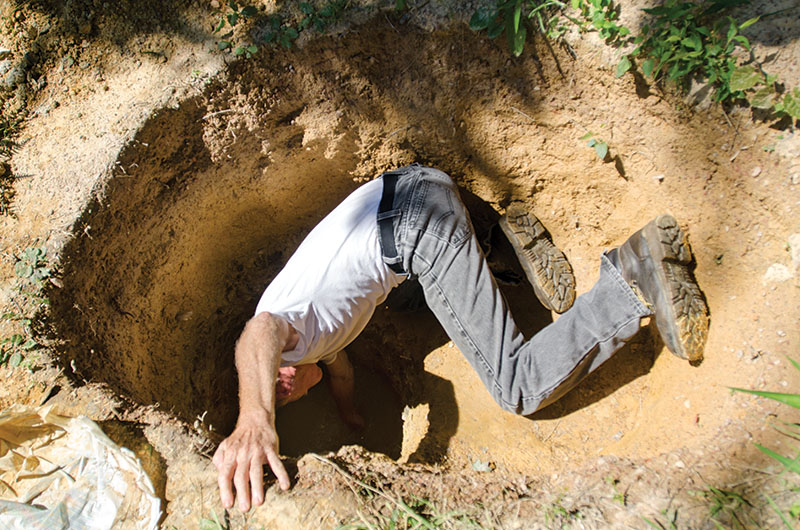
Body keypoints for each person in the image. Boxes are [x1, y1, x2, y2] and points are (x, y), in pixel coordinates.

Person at [213, 164, 709, 511]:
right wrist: (350, 415)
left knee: (517, 386)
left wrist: (255, 420)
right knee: (408, 300)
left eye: (289, 394)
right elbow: (339, 371)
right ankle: (499, 242)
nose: (296, 390)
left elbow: (256, 334)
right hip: (415, 187)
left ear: (278, 378)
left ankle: (630, 278)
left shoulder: (278, 331)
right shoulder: (311, 351)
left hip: (419, 229)